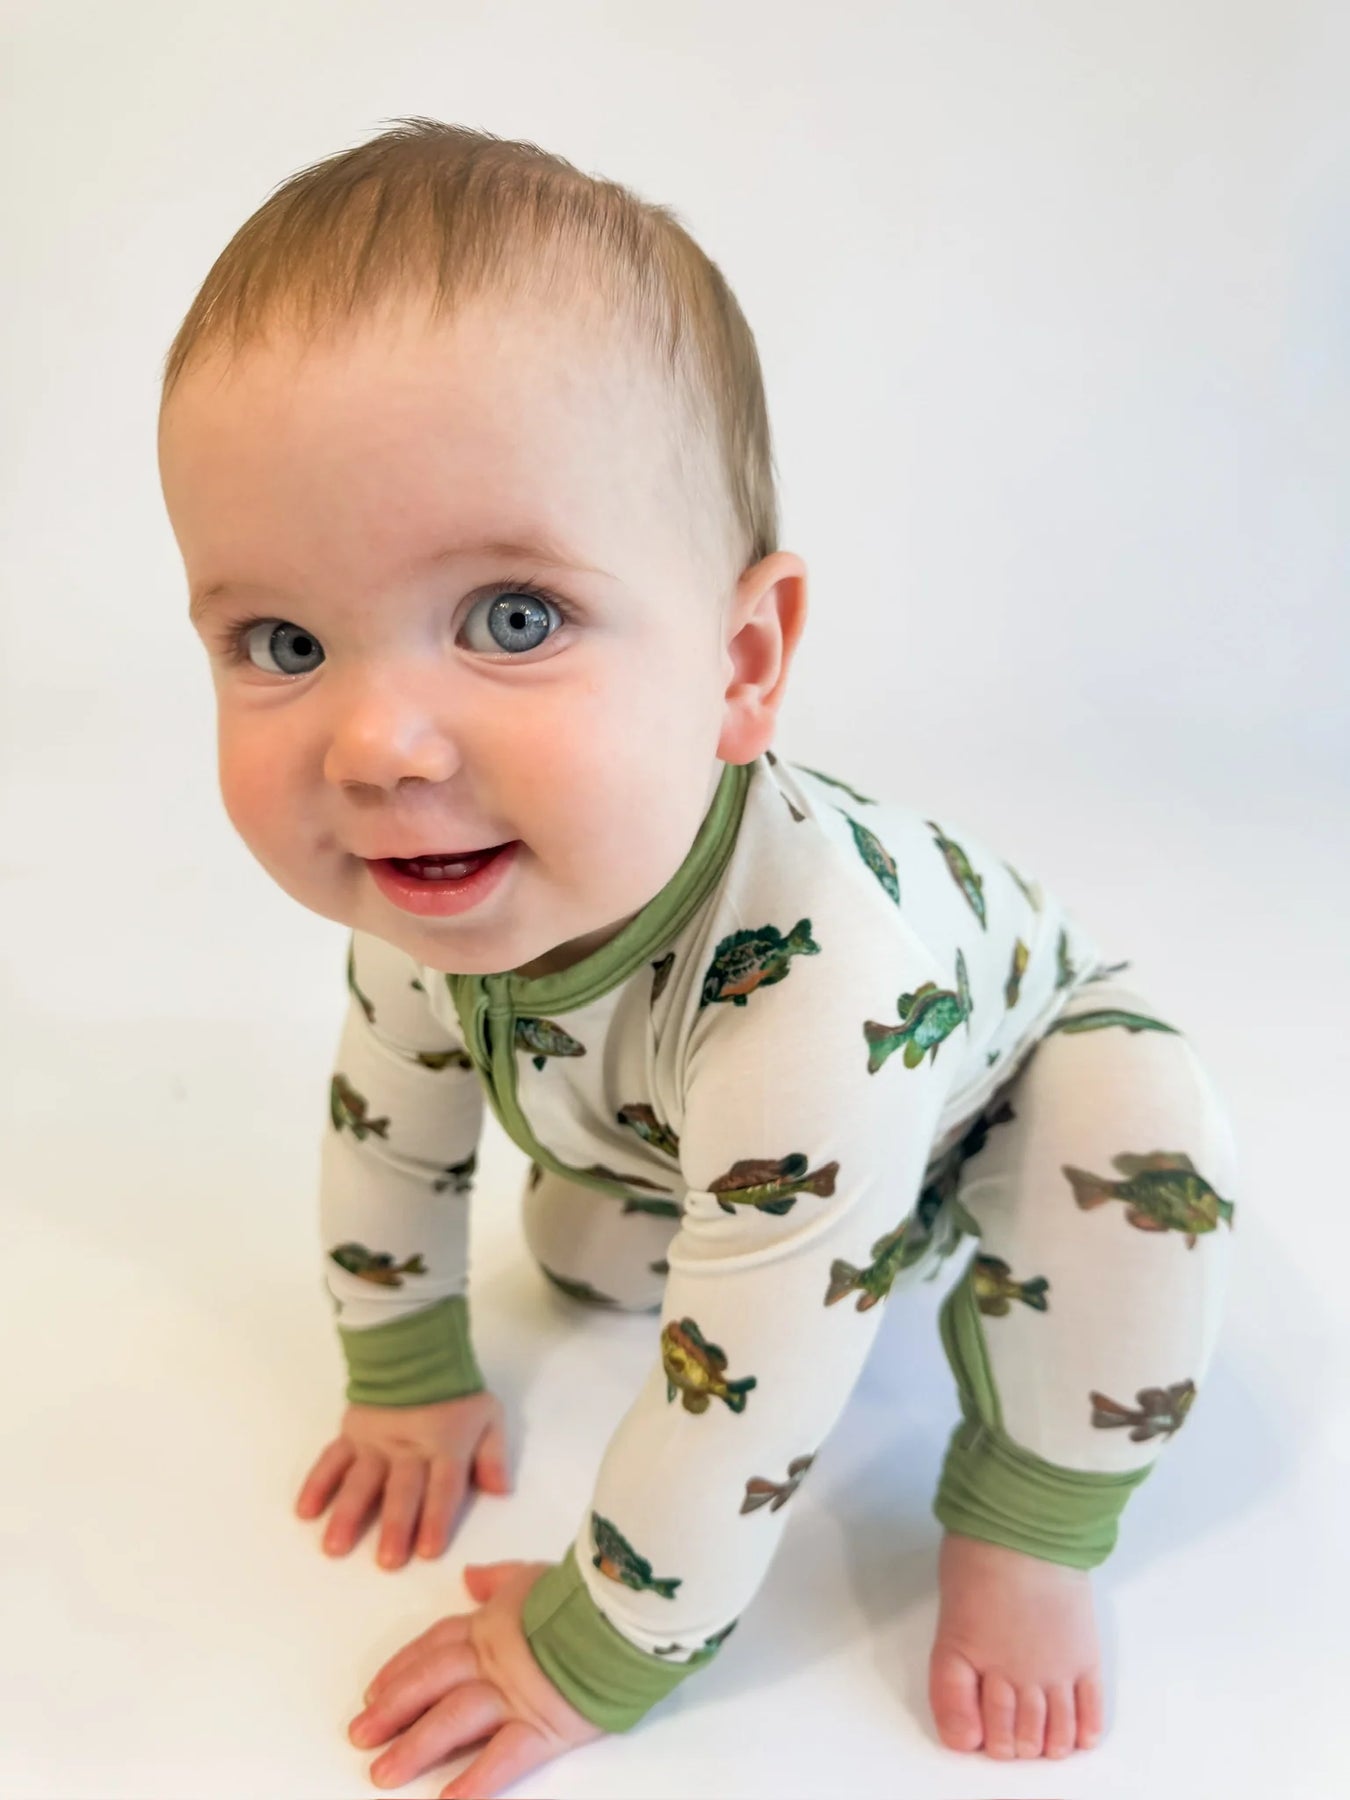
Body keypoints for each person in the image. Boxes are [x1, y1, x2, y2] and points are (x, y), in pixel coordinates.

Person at [156, 118, 1238, 1795]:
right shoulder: (444, 876)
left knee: (1143, 1149)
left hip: (993, 1096)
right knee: (583, 1254)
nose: (376, 746)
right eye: (282, 641)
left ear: (741, 661)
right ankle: (799, 1224)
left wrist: (591, 1647)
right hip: (700, 1137)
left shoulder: (819, 992)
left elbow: (748, 1398)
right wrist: (406, 1371)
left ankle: (1035, 1519)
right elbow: (394, 1125)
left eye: (512, 618)